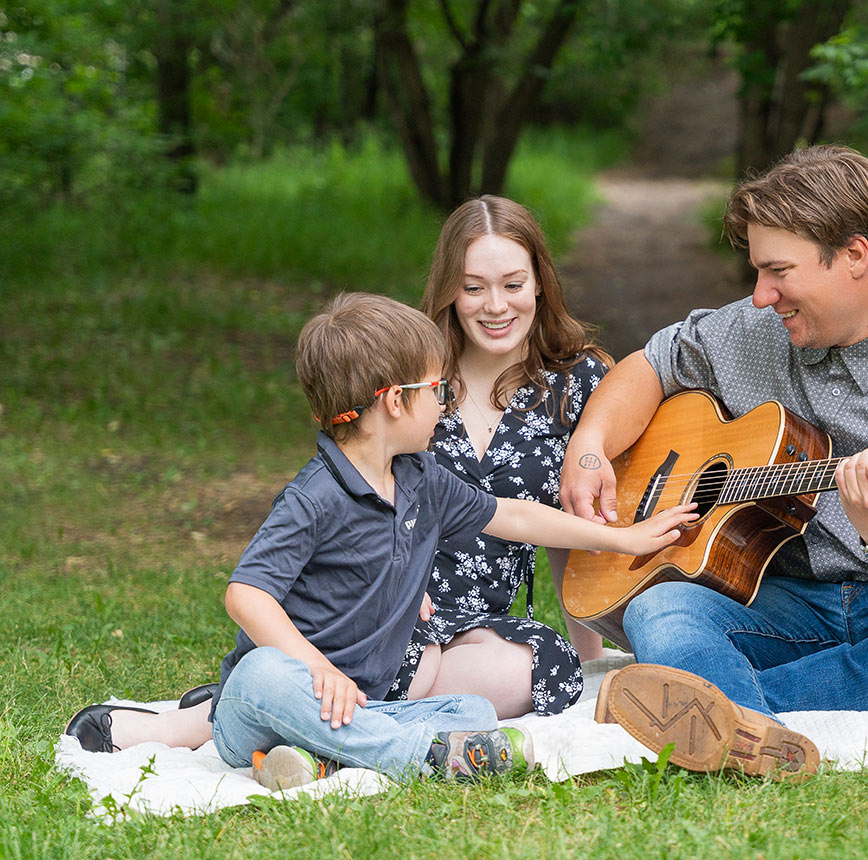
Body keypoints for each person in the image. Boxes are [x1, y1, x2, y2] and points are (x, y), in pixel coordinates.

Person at [65, 292, 696, 788]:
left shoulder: (420, 480)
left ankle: (326, 758)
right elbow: (246, 595)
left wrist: (621, 539)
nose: (446, 405)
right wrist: (312, 668)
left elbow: (518, 517)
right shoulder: (315, 497)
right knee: (262, 676)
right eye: (437, 391)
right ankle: (420, 756)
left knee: (472, 712)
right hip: (286, 693)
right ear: (395, 402)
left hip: (366, 700)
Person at [563, 145, 868, 776]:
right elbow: (655, 362)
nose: (761, 297)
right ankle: (755, 722)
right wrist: (590, 446)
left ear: (854, 255)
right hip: (775, 595)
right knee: (660, 607)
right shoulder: (753, 331)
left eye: (778, 271)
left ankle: (734, 716)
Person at [386, 195, 611, 717]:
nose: (495, 305)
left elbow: (570, 528)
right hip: (386, 603)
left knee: (541, 665)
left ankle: (337, 718)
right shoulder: (411, 378)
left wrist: (590, 661)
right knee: (402, 656)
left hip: (473, 635)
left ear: (539, 283)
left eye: (512, 284)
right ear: (449, 290)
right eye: (473, 288)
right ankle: (363, 707)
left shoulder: (576, 385)